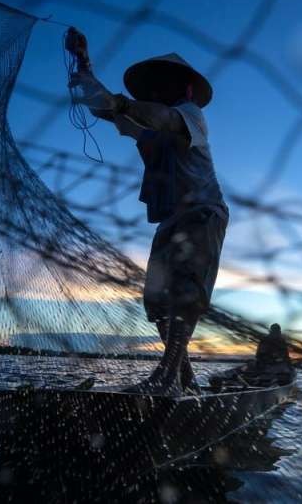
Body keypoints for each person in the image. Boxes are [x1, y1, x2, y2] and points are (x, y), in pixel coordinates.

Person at [70, 51, 228, 395]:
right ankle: (185, 380)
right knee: (158, 301)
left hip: (203, 212)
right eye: (155, 85)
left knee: (185, 292)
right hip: (171, 219)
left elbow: (162, 119)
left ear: (185, 90)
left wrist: (122, 105)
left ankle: (167, 377)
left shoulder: (191, 116)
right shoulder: (146, 124)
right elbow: (107, 109)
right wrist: (85, 71)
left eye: (166, 83)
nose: (159, 89)